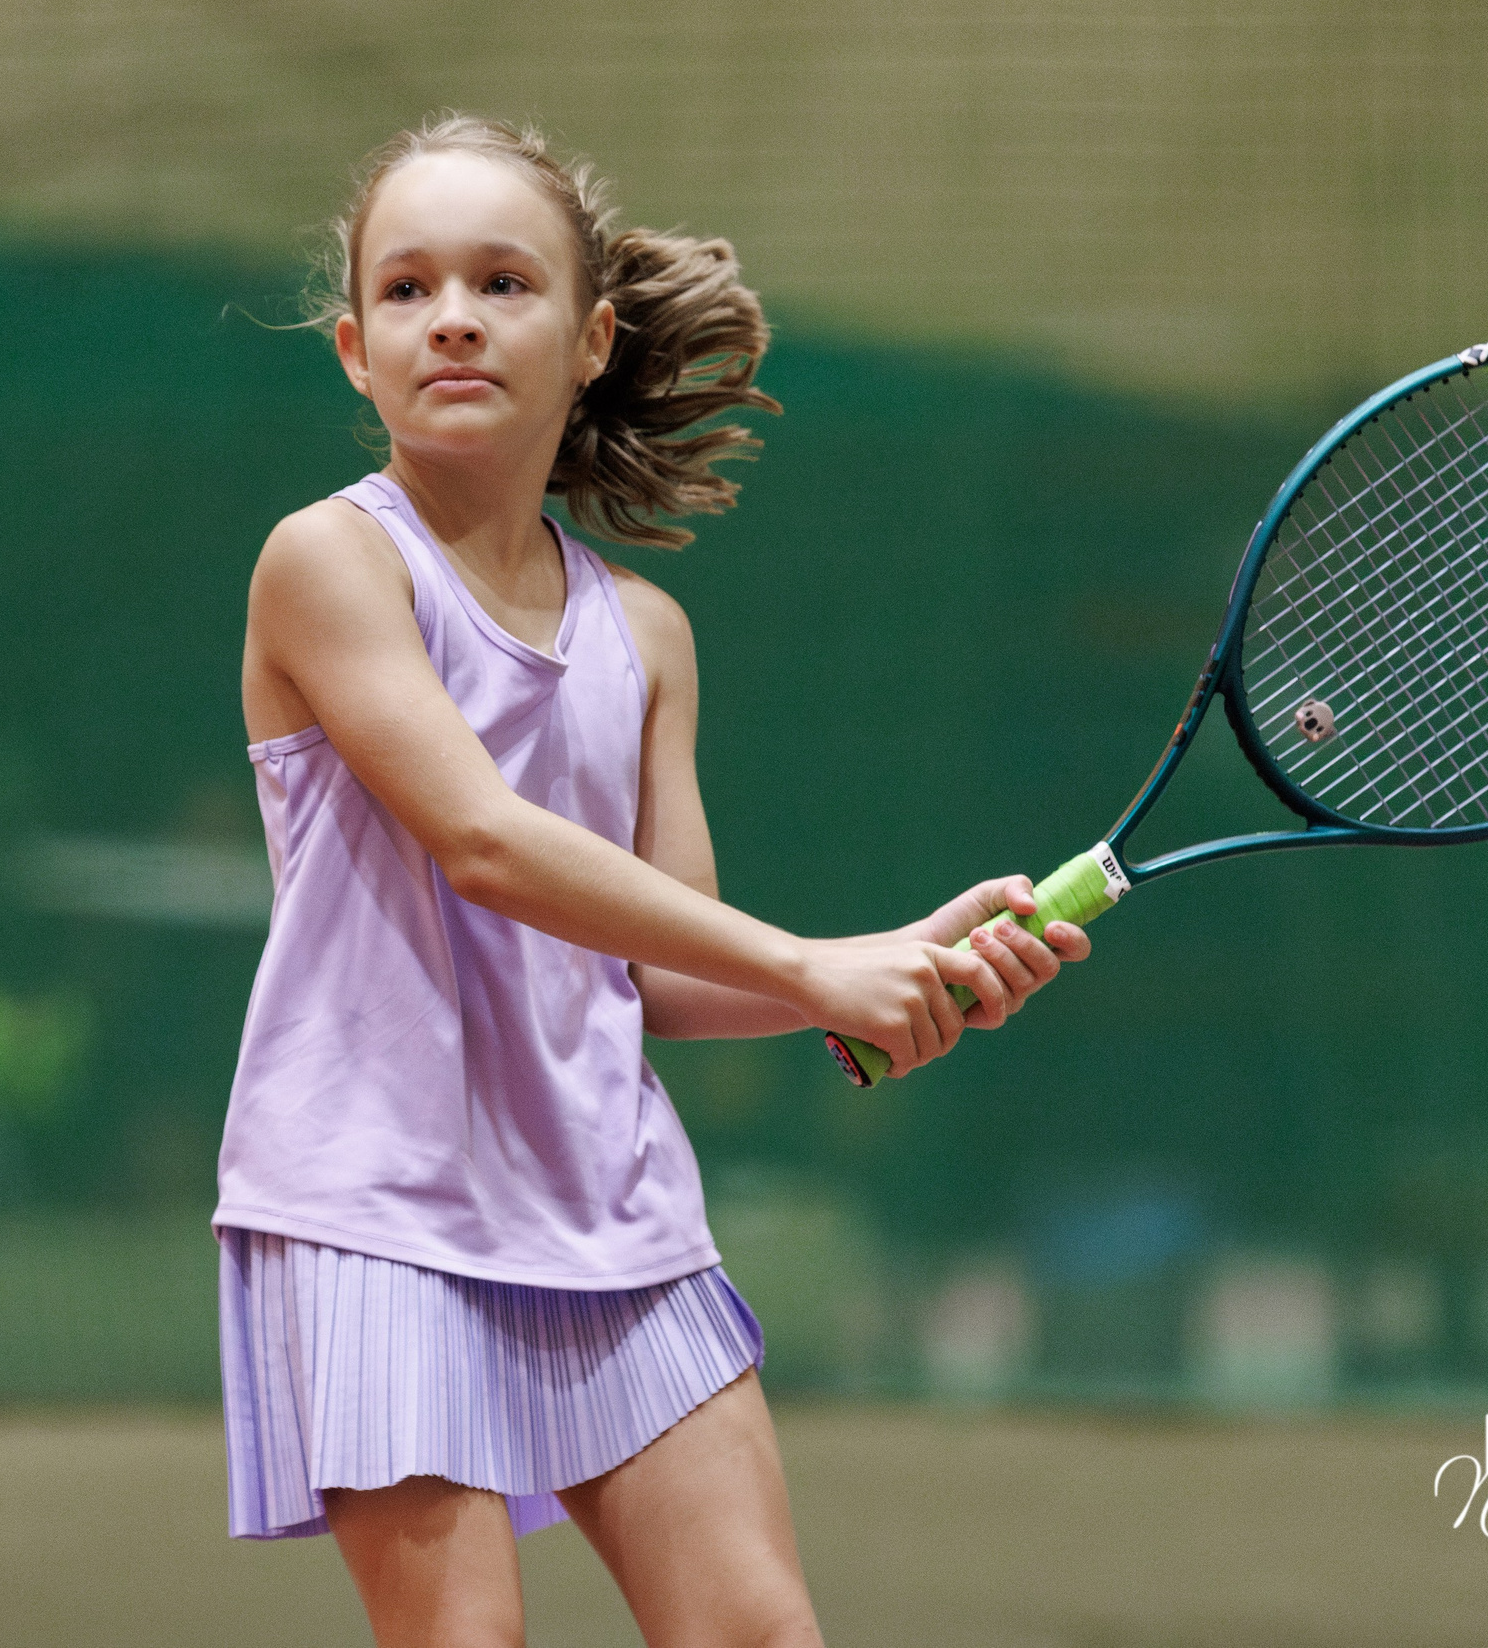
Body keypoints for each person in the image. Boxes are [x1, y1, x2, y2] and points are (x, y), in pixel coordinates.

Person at [214, 113, 1091, 1648]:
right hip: (372, 1208)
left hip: (611, 1212)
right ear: (356, 350)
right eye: (409, 291)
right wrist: (818, 971)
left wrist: (890, 966)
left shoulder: (650, 637)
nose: (457, 318)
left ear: (591, 335)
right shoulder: (328, 565)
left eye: (502, 280)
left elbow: (653, 981)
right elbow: (481, 840)